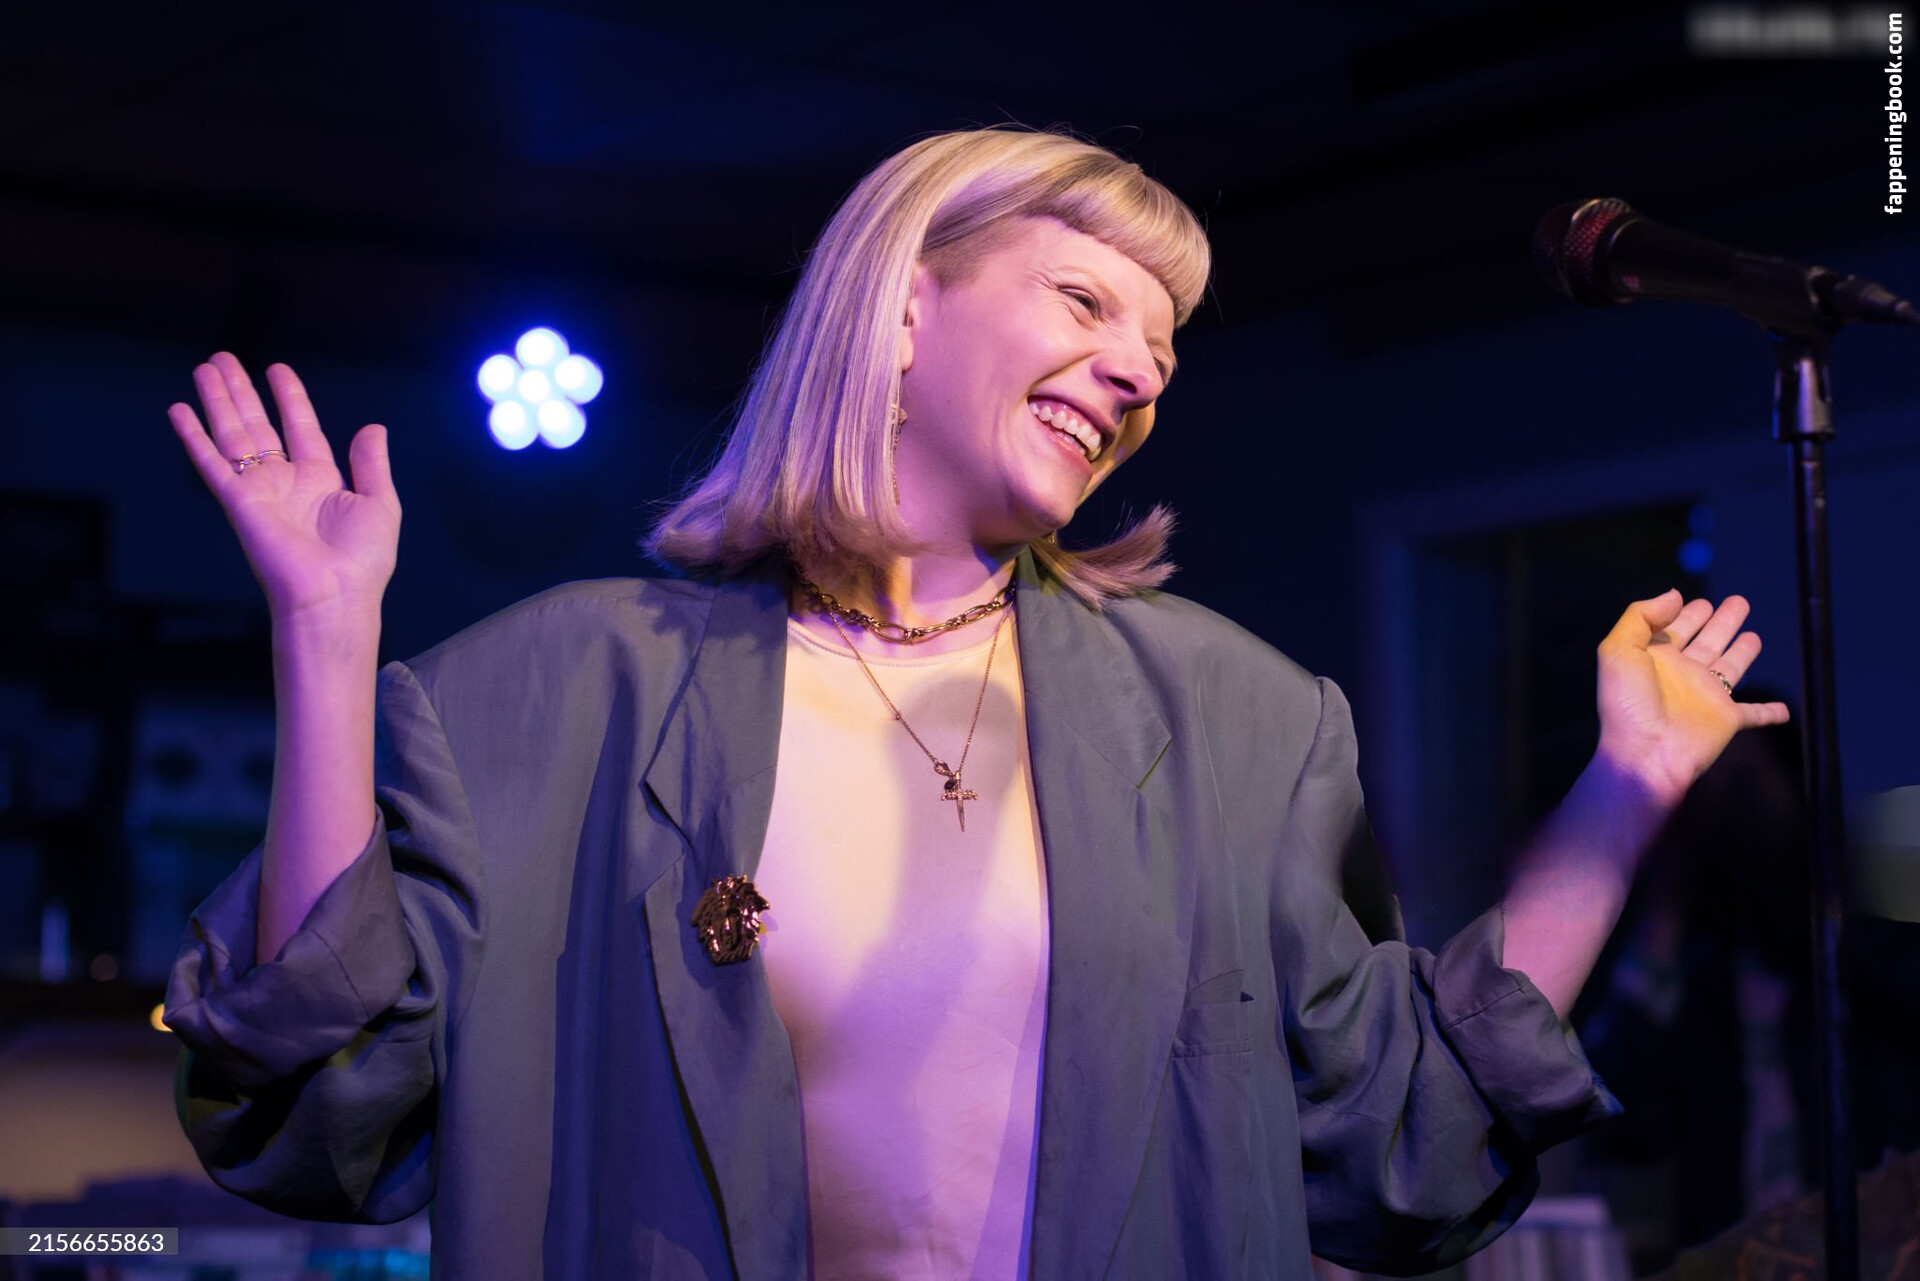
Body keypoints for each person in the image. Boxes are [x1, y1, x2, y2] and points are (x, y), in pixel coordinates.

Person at [162, 127, 1789, 1280]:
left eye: (1164, 343)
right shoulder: (563, 688)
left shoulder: (1239, 716)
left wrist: (1623, 794)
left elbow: (1404, 1145)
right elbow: (319, 1106)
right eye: (1087, 301)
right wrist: (325, 636)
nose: (1141, 369)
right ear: (902, 302)